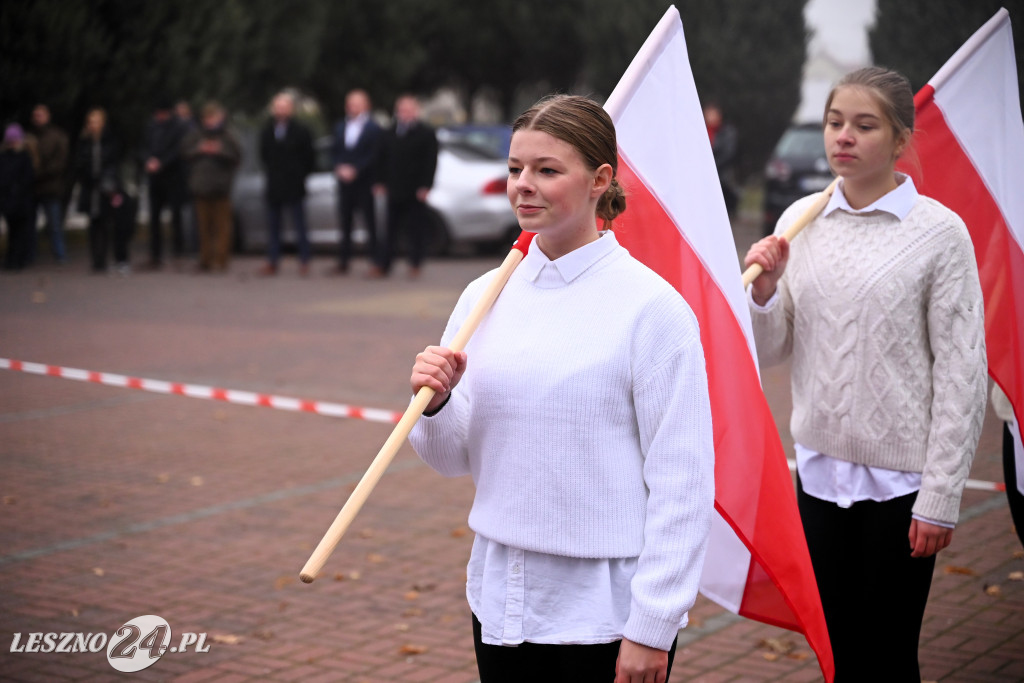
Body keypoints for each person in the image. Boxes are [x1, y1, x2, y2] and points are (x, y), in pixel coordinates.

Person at [408, 94, 714, 683]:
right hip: (500, 599)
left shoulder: (652, 309)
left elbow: (684, 482)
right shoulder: (483, 297)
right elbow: (450, 459)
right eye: (515, 168)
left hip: (604, 615)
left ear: (601, 180)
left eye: (547, 170)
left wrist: (652, 626)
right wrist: (437, 404)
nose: (523, 184)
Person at [743, 67, 987, 681]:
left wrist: (941, 496)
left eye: (864, 124)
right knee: (838, 649)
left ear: (901, 139)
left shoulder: (939, 233)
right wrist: (765, 292)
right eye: (834, 122)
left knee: (888, 654)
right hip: (819, 475)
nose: (843, 137)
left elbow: (963, 370)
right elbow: (773, 349)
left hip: (902, 487)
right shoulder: (801, 218)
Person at [373, 94, 438, 278]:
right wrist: (380, 182)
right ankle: (384, 265)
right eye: (402, 110)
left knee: (415, 229)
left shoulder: (426, 133)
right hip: (394, 188)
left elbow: (430, 161)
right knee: (390, 229)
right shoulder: (388, 132)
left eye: (409, 110)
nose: (405, 113)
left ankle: (415, 264)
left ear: (416, 111)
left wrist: (426, 185)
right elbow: (381, 159)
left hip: (415, 190)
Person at [258, 91, 314, 276]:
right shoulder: (267, 130)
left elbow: (309, 158)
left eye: (284, 107)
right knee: (273, 226)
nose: (281, 110)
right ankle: (273, 261)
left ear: (291, 109)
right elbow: (264, 155)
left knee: (300, 225)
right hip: (274, 185)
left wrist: (298, 175)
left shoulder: (301, 130)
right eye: (278, 107)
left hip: (294, 184)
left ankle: (304, 261)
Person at [181, 101, 241, 273]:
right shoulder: (197, 135)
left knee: (222, 227)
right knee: (203, 227)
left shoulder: (228, 135)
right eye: (208, 117)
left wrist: (219, 151)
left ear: (221, 117)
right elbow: (184, 152)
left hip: (221, 187)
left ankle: (221, 261)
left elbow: (237, 156)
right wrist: (200, 149)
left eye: (214, 117)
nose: (211, 121)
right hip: (200, 186)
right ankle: (205, 260)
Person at [330, 89, 382, 275]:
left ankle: (375, 261)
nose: (352, 107)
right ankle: (343, 261)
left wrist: (356, 169)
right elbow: (334, 150)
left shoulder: (374, 128)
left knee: (369, 223)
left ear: (366, 106)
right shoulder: (340, 126)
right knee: (344, 222)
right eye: (350, 103)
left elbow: (374, 155)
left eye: (357, 103)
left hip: (364, 183)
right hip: (344, 183)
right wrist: (339, 167)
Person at [75, 108, 131, 275]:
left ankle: (110, 258)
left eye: (97, 121)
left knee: (107, 223)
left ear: (103, 123)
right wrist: (88, 176)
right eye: (91, 122)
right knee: (93, 223)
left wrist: (107, 181)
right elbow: (79, 164)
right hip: (90, 188)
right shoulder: (84, 142)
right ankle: (96, 260)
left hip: (107, 189)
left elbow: (114, 162)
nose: (94, 125)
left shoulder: (111, 141)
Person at [140, 98, 186, 269]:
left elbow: (178, 150)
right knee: (154, 218)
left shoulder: (179, 127)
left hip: (173, 178)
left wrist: (162, 162)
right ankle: (155, 255)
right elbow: (143, 147)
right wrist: (148, 160)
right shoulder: (151, 126)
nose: (159, 116)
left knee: (176, 217)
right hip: (155, 179)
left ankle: (178, 253)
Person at [29, 104, 69, 265]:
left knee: (54, 225)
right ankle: (30, 256)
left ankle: (60, 255)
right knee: (29, 225)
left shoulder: (57, 136)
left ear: (48, 116)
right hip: (32, 188)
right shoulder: (29, 137)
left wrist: (38, 174)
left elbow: (60, 162)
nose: (38, 118)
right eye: (35, 115)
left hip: (50, 187)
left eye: (41, 115)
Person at [0, 124, 36, 271]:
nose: (13, 142)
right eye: (10, 140)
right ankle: (11, 259)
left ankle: (19, 259)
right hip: (8, 200)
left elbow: (28, 178)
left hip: (21, 200)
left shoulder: (25, 157)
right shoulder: (3, 157)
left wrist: (18, 188)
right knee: (12, 231)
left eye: (15, 139)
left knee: (21, 231)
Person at [702, 102, 738, 217]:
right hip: (703, 176)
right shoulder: (701, 130)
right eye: (708, 113)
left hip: (720, 176)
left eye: (713, 114)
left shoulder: (727, 132)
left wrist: (711, 166)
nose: (710, 117)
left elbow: (728, 153)